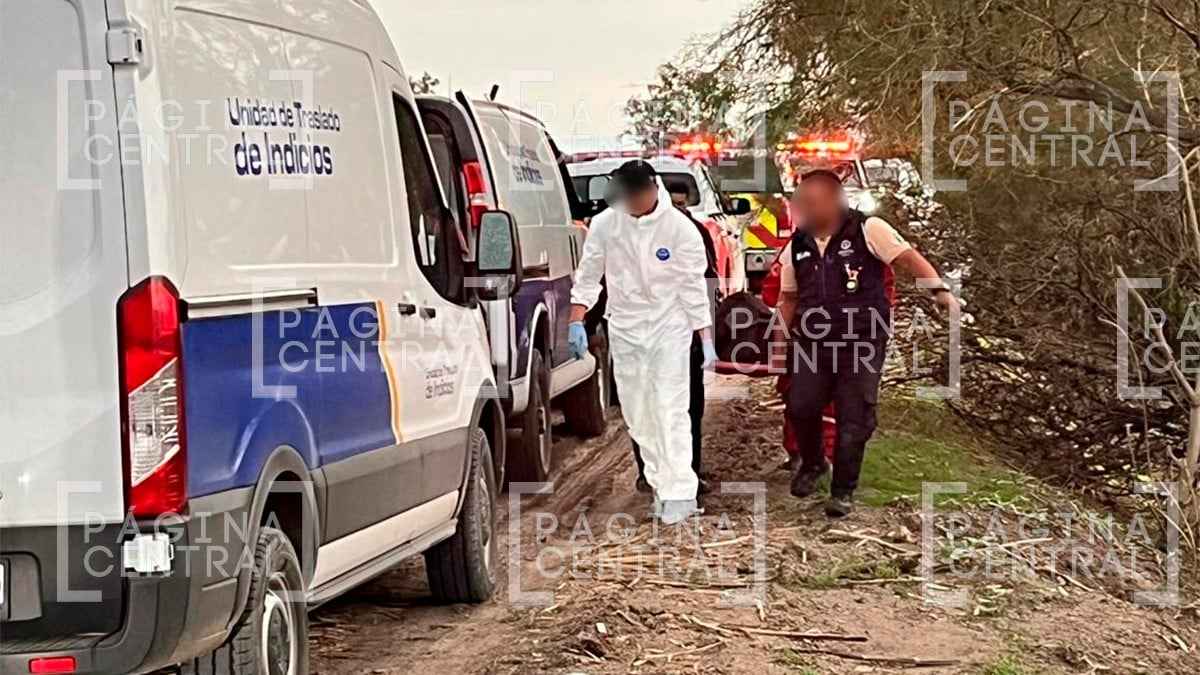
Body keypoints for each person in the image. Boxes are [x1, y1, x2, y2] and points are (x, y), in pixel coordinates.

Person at [776, 170, 958, 517]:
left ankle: (843, 491)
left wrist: (939, 291)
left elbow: (907, 258)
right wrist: (779, 343)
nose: (803, 211)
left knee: (854, 414)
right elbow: (789, 297)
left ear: (833, 201)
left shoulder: (868, 230)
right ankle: (814, 464)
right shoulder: (798, 244)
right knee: (801, 405)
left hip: (862, 339)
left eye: (810, 204)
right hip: (814, 342)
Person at [568, 161, 717, 524]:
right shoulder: (606, 224)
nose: (631, 203)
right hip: (625, 327)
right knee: (638, 413)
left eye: (637, 195)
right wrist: (576, 319)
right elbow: (589, 275)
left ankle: (681, 492)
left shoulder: (681, 229)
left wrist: (704, 336)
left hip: (670, 326)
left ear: (653, 188)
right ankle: (658, 483)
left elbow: (693, 286)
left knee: (670, 407)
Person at [629, 180, 718, 495]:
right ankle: (649, 473)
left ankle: (689, 473)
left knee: (688, 409)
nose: (678, 211)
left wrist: (705, 333)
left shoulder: (694, 235)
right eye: (673, 204)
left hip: (683, 340)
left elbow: (708, 285)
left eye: (683, 205)